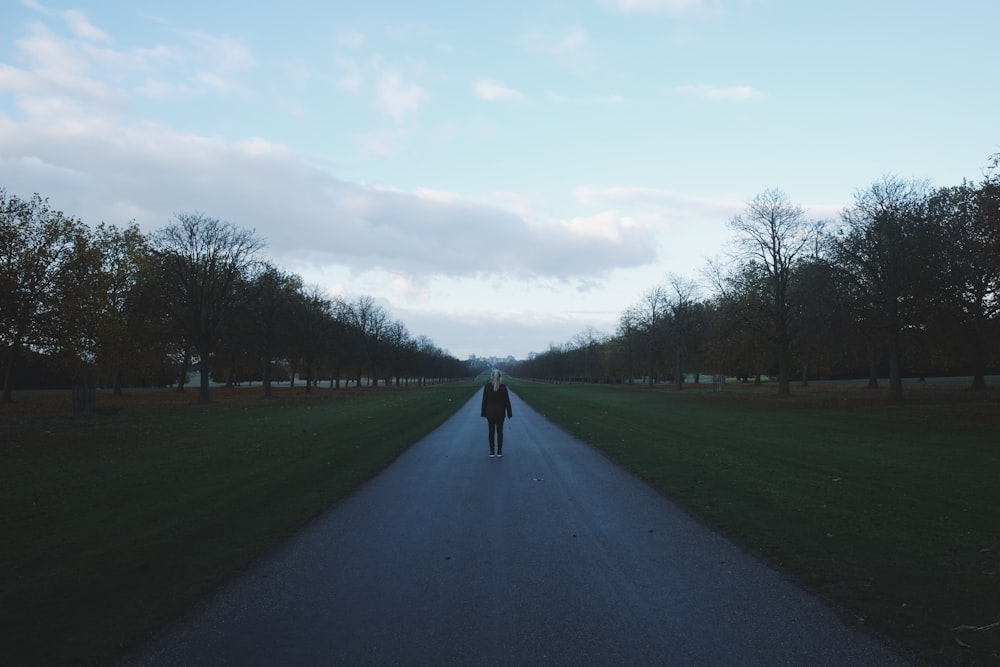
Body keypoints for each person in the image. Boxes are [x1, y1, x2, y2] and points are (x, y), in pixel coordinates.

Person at [480, 370, 513, 458]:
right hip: (500, 413)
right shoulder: (503, 387)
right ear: (500, 377)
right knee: (500, 432)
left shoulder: (487, 386)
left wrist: (483, 412)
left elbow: (484, 401)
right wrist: (509, 412)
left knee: (491, 432)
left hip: (490, 412)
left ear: (491, 377)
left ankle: (491, 451)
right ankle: (499, 451)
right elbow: (507, 401)